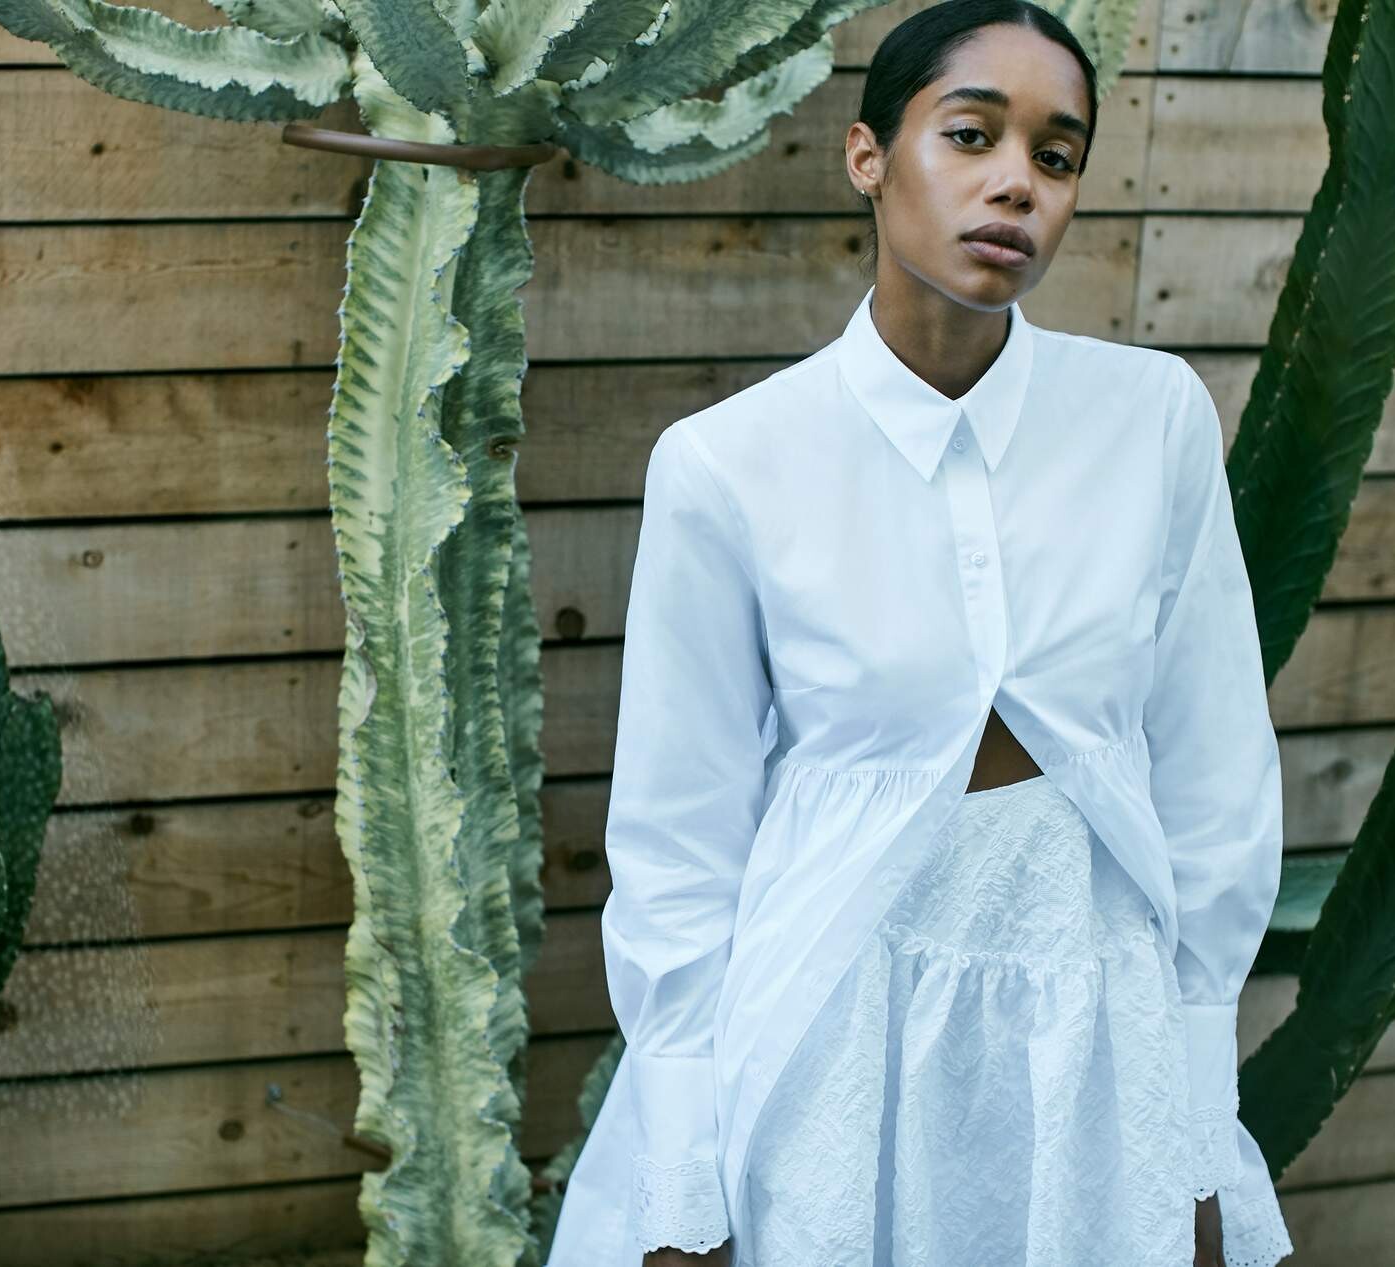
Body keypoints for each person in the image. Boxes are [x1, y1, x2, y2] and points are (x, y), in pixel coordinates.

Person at [545, 2, 1297, 1264]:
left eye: (1055, 156)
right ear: (867, 155)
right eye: (969, 134)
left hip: (1090, 1032)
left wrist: (1193, 1112)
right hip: (829, 1026)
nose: (1015, 184)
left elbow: (1215, 772)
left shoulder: (1151, 419)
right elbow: (679, 837)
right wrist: (683, 1180)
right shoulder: (730, 462)